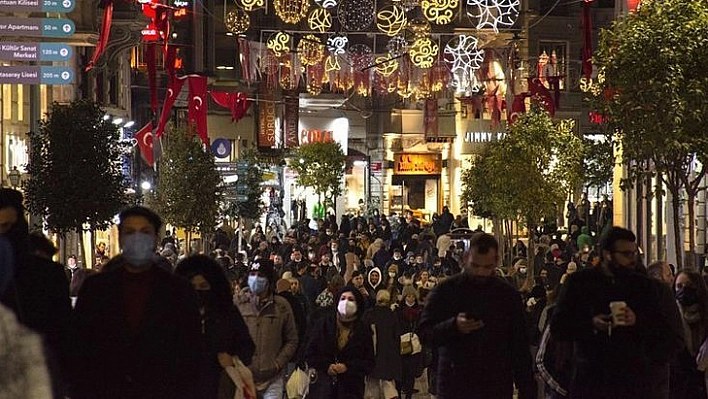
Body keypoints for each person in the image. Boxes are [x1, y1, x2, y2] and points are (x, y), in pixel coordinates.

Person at [71, 206, 202, 399]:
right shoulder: (96, 289)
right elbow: (79, 349)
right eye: (130, 232)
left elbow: (191, 354)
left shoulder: (179, 292)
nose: (137, 238)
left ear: (155, 239)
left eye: (145, 232)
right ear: (121, 238)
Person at [551, 226, 684, 399]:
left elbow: (668, 334)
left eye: (634, 253)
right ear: (607, 254)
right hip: (592, 383)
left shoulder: (646, 288)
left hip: (635, 384)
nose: (632, 259)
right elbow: (559, 326)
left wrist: (637, 321)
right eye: (626, 254)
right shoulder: (580, 284)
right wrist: (591, 323)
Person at [418, 232, 536, 399]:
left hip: (495, 386)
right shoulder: (446, 291)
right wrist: (453, 326)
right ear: (466, 258)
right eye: (475, 265)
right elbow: (424, 333)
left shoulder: (507, 296)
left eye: (487, 267)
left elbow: (520, 348)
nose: (480, 272)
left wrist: (527, 390)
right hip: (455, 386)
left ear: (495, 262)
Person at [174, 255, 255, 399]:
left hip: (219, 387)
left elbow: (247, 346)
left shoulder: (227, 313)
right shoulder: (174, 315)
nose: (198, 291)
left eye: (203, 286)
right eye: (192, 287)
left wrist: (233, 359)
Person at [236, 259, 299, 398]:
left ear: (269, 280)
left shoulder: (281, 306)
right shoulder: (238, 304)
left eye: (260, 275)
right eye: (252, 274)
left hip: (272, 379)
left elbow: (292, 340)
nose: (255, 278)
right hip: (243, 377)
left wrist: (278, 364)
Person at [304, 285, 375, 398]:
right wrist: (326, 366)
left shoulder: (363, 330)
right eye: (343, 298)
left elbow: (369, 362)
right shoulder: (324, 325)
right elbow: (310, 353)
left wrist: (348, 367)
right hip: (323, 388)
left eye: (351, 299)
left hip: (351, 389)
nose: (346, 302)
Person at [670, 270, 708, 398]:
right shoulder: (671, 316)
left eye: (689, 286)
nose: (684, 290)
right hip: (679, 383)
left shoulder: (705, 315)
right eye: (679, 286)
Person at [363, 289, 402, 399]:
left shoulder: (369, 314)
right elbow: (396, 337)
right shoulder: (392, 315)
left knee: (372, 384)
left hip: (372, 354)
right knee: (388, 384)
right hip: (388, 355)